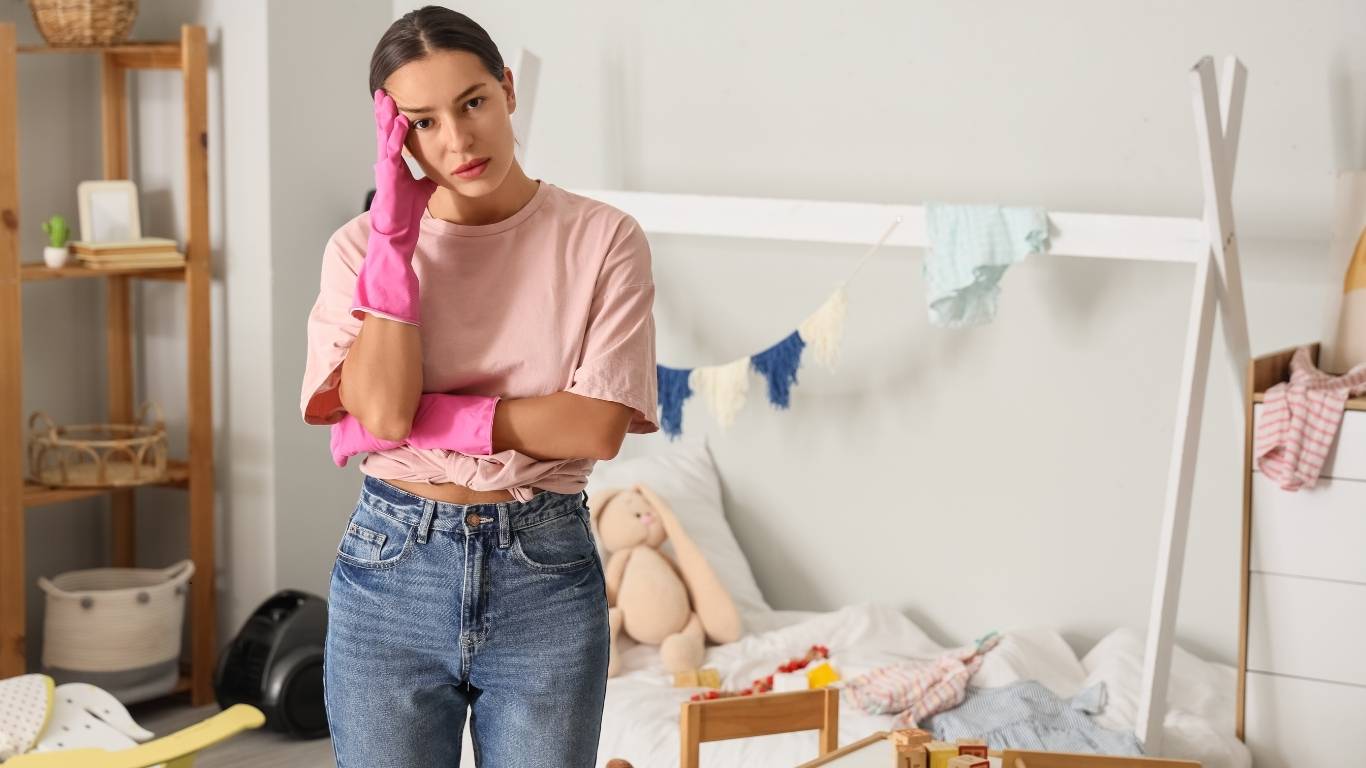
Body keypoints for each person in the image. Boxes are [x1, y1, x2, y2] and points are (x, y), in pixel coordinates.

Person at [298, 6, 659, 766]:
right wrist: (395, 243)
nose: (457, 140)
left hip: (547, 571)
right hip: (392, 567)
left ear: (507, 90)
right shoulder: (360, 247)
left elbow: (595, 428)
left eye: (472, 103)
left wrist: (439, 422)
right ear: (396, 137)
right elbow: (386, 408)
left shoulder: (603, 239)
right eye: (423, 122)